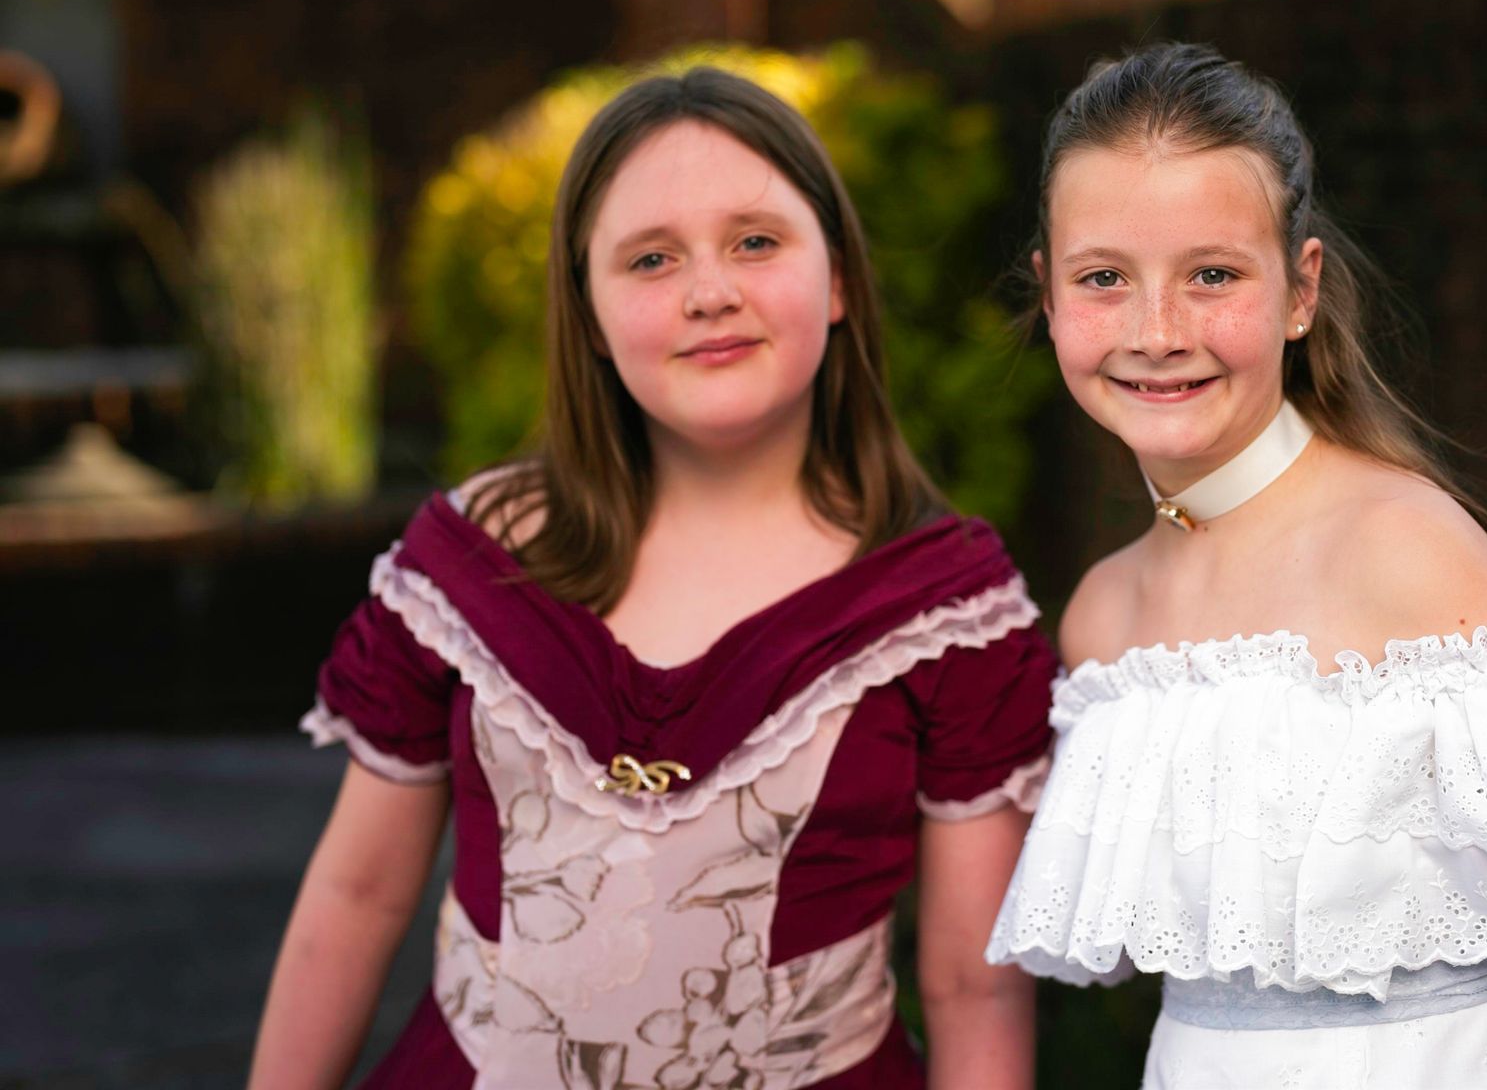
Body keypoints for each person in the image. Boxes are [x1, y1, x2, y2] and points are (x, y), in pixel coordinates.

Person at [987, 42, 1487, 1089]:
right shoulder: (1104, 615)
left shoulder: (1404, 551)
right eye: (1104, 279)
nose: (1158, 331)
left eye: (1213, 274)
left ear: (1301, 289)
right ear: (1049, 296)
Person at [250, 67, 1055, 1090]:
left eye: (755, 242)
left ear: (840, 281)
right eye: (650, 258)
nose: (709, 291)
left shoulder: (947, 610)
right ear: (587, 313)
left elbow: (973, 987)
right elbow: (357, 895)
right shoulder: (470, 568)